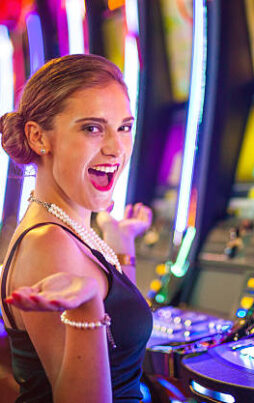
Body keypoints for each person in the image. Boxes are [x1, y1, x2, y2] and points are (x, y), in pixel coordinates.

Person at [0, 54, 153, 403]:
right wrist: (86, 308)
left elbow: (114, 341)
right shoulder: (48, 244)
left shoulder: (67, 228)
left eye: (125, 127)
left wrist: (121, 245)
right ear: (39, 138)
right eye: (92, 128)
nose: (116, 148)